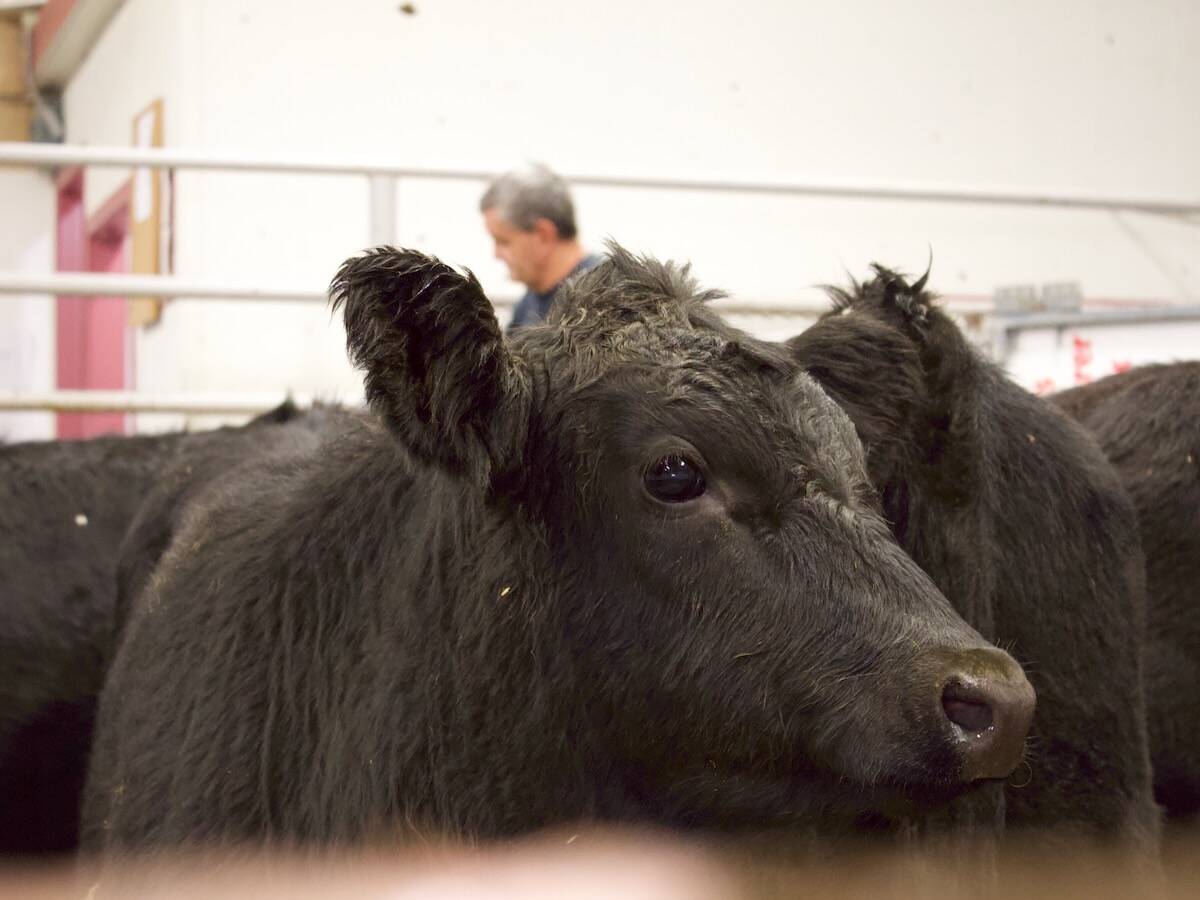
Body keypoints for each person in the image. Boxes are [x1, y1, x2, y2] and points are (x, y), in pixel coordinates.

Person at [480, 163, 602, 332]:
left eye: (503, 241)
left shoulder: (604, 301)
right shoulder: (528, 305)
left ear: (544, 235)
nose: (496, 255)